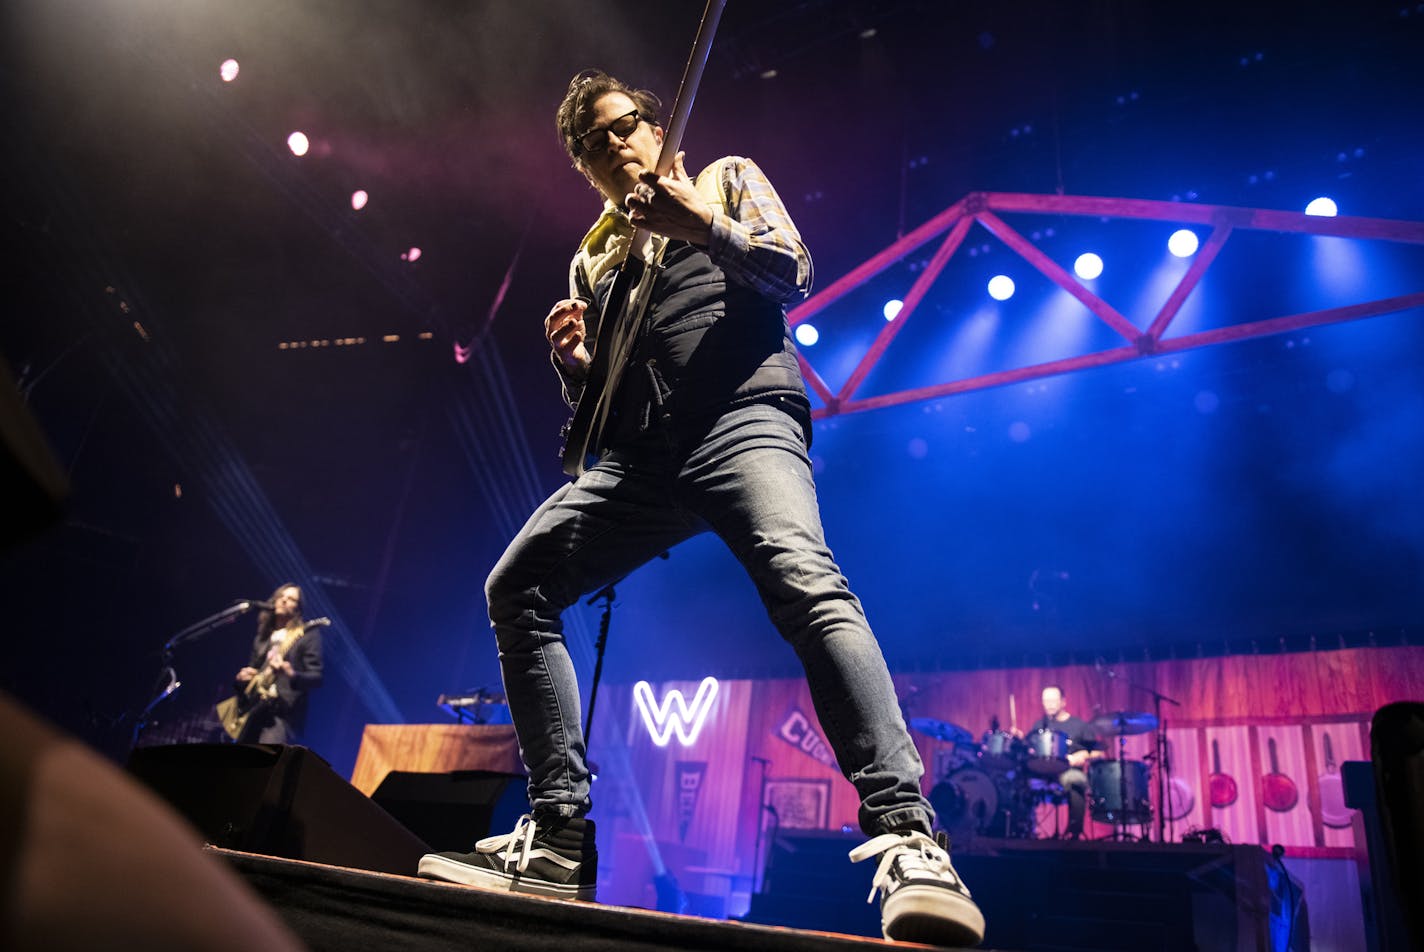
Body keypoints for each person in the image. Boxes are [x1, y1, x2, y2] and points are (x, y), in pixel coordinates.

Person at [417, 70, 985, 947]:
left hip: (742, 418)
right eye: (591, 143)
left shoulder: (722, 174)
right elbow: (604, 402)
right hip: (648, 458)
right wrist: (576, 368)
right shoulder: (593, 255)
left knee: (804, 579)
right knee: (517, 585)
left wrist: (701, 226)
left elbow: (790, 269)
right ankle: (560, 835)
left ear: (656, 123)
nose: (612, 145)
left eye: (622, 125)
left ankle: (910, 835)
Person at [225, 584, 323, 744]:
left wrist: (291, 673)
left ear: (298, 608)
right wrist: (242, 679)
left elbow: (317, 677)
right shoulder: (262, 638)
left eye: (291, 599)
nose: (284, 600)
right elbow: (254, 670)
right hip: (254, 710)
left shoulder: (307, 635)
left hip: (281, 714)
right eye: (281, 596)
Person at [1022, 685, 1102, 838]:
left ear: (1063, 702)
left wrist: (1082, 755)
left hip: (1068, 771)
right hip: (1042, 772)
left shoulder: (1079, 725)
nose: (1049, 704)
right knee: (1018, 779)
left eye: (1053, 700)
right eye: (1046, 701)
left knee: (1075, 780)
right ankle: (1025, 828)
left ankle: (1074, 833)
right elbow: (1029, 750)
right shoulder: (1039, 726)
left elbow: (1098, 751)